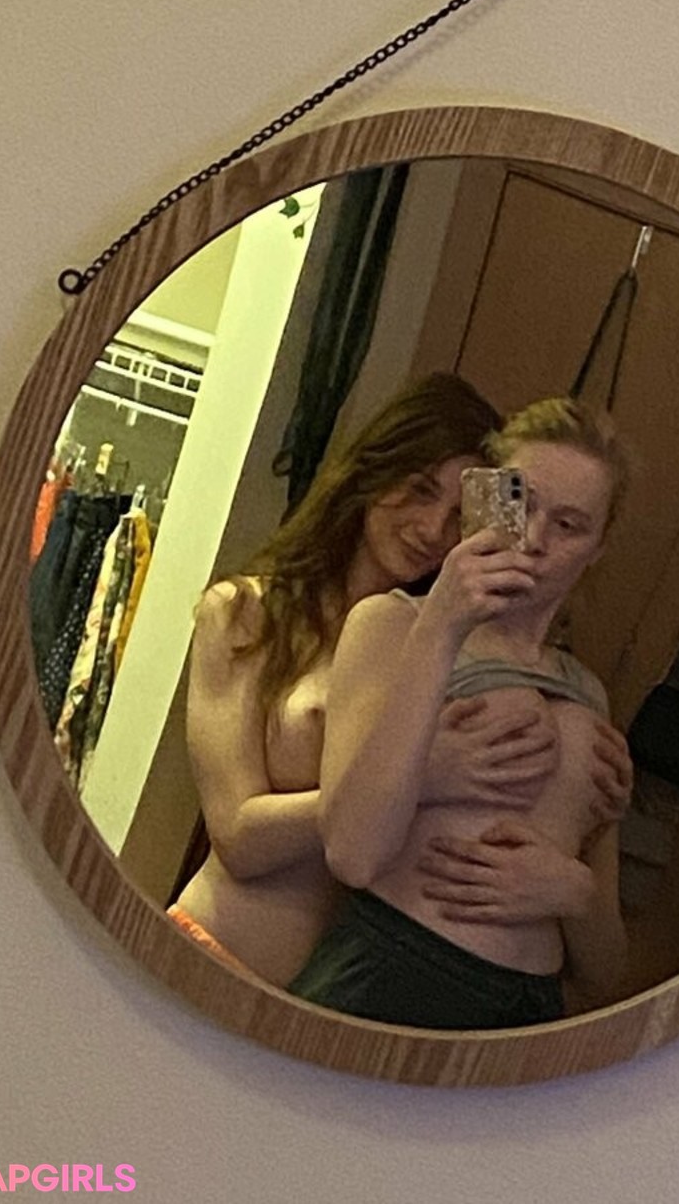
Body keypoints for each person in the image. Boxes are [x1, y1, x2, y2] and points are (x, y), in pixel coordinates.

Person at [170, 376, 631, 988]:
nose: (432, 529)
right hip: (221, 954)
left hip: (351, 992)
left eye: (457, 513)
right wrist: (421, 776)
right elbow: (236, 837)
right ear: (370, 473)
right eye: (417, 490)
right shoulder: (248, 614)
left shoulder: (451, 654)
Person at [288, 397, 631, 1029]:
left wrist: (575, 892)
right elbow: (353, 852)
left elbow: (605, 975)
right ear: (483, 500)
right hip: (391, 977)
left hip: (526, 1014)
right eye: (519, 502)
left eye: (568, 525)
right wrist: (445, 620)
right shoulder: (393, 626)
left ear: (597, 548)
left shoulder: (589, 696)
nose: (534, 540)